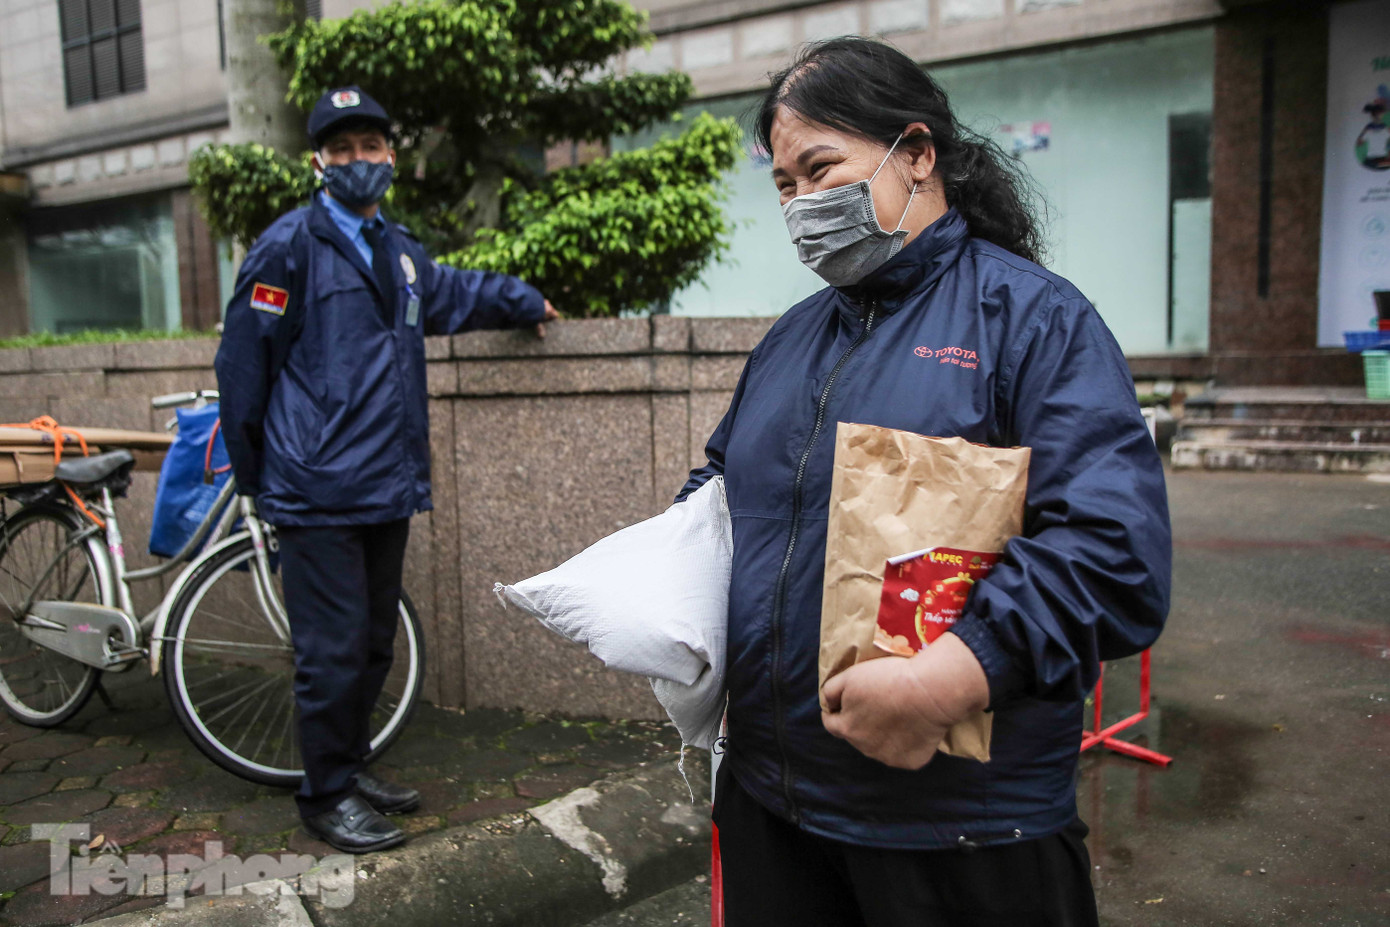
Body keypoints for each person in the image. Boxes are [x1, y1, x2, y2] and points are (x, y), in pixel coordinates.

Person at [680, 38, 1171, 926]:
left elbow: (1115, 556)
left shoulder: (1036, 321)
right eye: (784, 184)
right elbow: (722, 488)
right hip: (772, 807)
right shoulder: (790, 339)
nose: (800, 204)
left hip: (962, 837)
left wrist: (957, 674)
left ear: (916, 154)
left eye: (820, 168)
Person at [215, 86, 558, 854]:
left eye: (371, 146)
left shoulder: (398, 252)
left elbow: (453, 294)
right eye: (342, 149)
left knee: (373, 644)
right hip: (313, 489)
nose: (358, 160)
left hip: (386, 483)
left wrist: (524, 299)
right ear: (318, 162)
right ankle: (325, 794)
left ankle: (350, 762)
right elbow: (242, 366)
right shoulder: (287, 247)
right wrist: (255, 478)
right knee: (331, 651)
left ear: (391, 157)